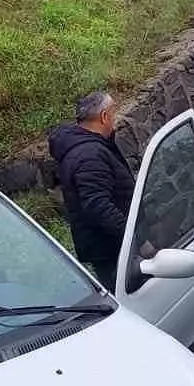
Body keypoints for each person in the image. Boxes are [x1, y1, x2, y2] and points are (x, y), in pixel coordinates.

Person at [48, 90, 135, 288]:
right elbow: (97, 206)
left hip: (107, 247)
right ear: (104, 116)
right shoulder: (90, 155)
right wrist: (133, 236)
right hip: (113, 250)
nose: (115, 118)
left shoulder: (84, 147)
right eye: (114, 111)